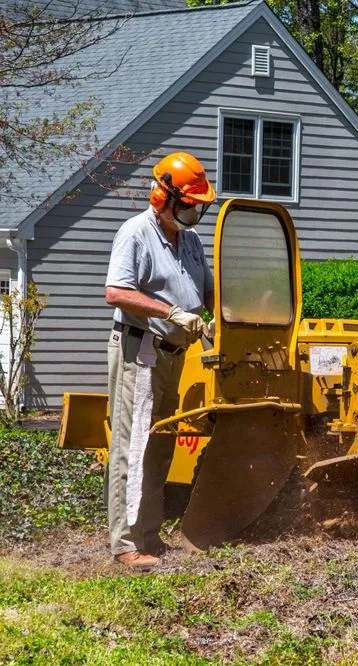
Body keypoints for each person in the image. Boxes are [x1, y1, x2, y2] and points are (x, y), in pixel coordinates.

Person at [104, 152, 215, 568]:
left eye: (198, 207)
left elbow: (207, 291)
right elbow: (116, 292)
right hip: (142, 350)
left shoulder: (191, 239)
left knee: (160, 443)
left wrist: (225, 314)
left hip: (175, 353)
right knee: (133, 445)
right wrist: (171, 312)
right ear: (162, 198)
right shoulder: (135, 233)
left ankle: (149, 534)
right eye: (189, 205)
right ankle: (125, 544)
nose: (195, 214)